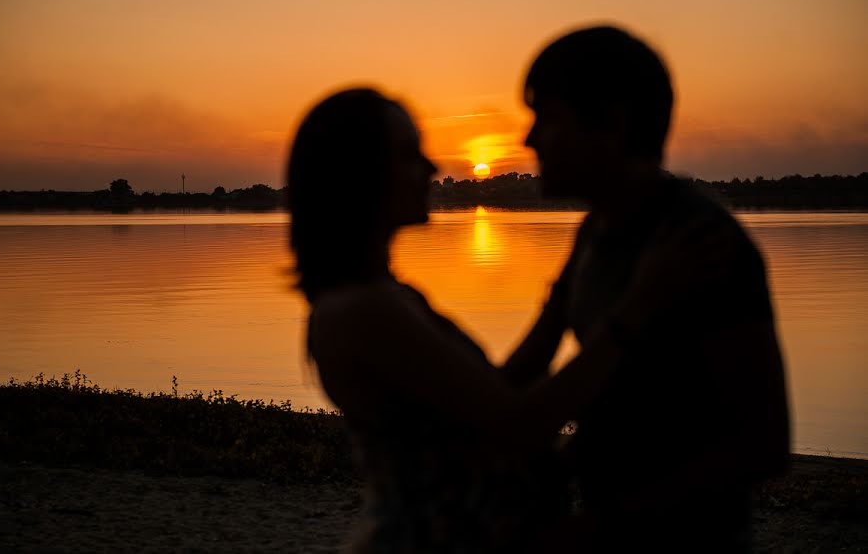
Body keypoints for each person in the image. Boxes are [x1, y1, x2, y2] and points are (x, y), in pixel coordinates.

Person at [287, 87, 732, 553]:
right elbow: (519, 424)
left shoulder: (382, 296)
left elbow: (495, 392)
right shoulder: (363, 310)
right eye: (407, 154)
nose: (431, 168)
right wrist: (638, 306)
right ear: (354, 176)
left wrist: (563, 292)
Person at [505, 25, 790, 552]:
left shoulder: (703, 244)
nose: (530, 139)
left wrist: (598, 524)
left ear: (612, 123)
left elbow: (764, 445)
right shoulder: (594, 230)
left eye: (550, 118)